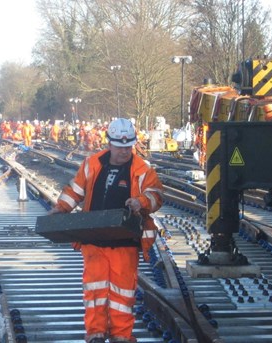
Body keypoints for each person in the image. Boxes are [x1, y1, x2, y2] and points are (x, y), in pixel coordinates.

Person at [49, 117, 164, 343]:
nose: (124, 151)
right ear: (109, 143)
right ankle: (95, 334)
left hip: (125, 241)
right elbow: (75, 190)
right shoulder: (92, 164)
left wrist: (140, 202)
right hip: (94, 240)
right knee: (95, 290)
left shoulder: (142, 170)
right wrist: (60, 209)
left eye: (128, 146)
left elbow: (156, 195)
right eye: (119, 146)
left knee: (123, 293)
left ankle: (122, 336)